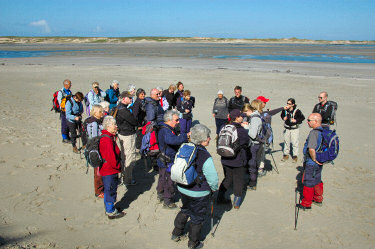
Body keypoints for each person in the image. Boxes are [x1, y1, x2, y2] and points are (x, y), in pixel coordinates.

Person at [171, 124, 219, 249]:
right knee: (197, 217)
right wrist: (214, 189)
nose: (209, 139)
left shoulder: (184, 147)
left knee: (185, 209)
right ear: (203, 139)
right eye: (208, 137)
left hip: (182, 187)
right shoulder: (205, 156)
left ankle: (176, 233)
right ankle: (193, 243)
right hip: (199, 192)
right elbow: (212, 178)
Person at [157, 110, 189, 208]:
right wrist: (185, 136)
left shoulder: (164, 127)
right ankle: (167, 201)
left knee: (162, 177)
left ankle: (160, 194)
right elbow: (172, 140)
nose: (178, 122)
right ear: (169, 120)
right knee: (169, 180)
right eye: (176, 120)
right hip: (167, 159)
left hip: (162, 158)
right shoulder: (165, 130)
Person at [217, 109, 249, 209]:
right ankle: (236, 203)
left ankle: (220, 197)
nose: (242, 117)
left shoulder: (224, 127)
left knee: (227, 178)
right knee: (238, 180)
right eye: (240, 116)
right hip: (238, 160)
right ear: (236, 118)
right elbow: (246, 142)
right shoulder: (241, 130)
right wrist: (246, 128)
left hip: (225, 158)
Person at [99, 116, 126, 219]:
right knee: (110, 190)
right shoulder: (107, 139)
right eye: (114, 125)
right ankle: (110, 211)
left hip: (108, 169)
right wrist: (118, 166)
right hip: (109, 170)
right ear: (108, 126)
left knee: (109, 189)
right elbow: (110, 157)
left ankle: (110, 208)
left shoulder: (108, 136)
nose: (116, 126)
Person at [296, 113, 324, 211]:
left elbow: (311, 149)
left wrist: (314, 159)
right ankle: (318, 198)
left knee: (308, 182)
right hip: (320, 161)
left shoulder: (314, 133)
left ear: (315, 121)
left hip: (312, 162)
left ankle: (306, 203)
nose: (307, 122)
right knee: (317, 179)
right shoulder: (323, 131)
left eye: (309, 120)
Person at [255, 95, 286, 176]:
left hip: (255, 139)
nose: (265, 104)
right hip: (261, 138)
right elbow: (271, 113)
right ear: (260, 103)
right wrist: (282, 108)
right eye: (264, 102)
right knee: (261, 154)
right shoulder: (261, 114)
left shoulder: (255, 112)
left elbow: (270, 113)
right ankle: (260, 170)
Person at [116, 91, 138, 186]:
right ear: (124, 98)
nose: (131, 99)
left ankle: (123, 176)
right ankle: (128, 179)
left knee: (123, 156)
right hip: (127, 135)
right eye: (129, 98)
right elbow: (134, 121)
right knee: (129, 157)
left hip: (121, 134)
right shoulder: (123, 110)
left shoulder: (118, 108)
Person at [83, 104, 105, 198]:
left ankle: (100, 188)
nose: (102, 113)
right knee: (98, 172)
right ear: (95, 112)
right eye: (100, 112)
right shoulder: (93, 123)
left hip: (97, 148)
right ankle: (98, 191)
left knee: (99, 171)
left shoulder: (94, 121)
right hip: (95, 150)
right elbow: (93, 139)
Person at [243, 100, 263, 190]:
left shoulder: (255, 118)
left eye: (245, 112)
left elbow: (253, 135)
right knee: (251, 162)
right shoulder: (257, 116)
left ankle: (252, 183)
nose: (244, 114)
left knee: (252, 163)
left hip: (254, 144)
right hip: (256, 143)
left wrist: (246, 127)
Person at [280, 98, 305, 162]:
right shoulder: (285, 110)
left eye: (289, 104)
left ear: (293, 104)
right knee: (286, 142)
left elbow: (302, 117)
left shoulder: (297, 111)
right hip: (287, 128)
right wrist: (283, 118)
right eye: (287, 103)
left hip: (294, 129)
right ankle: (286, 155)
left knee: (295, 142)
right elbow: (282, 115)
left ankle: (295, 156)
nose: (288, 105)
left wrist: (296, 120)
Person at [57, 79, 72, 143]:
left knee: (68, 124)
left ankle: (68, 137)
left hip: (69, 111)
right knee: (64, 125)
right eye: (69, 84)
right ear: (65, 84)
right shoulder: (61, 92)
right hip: (64, 111)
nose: (71, 85)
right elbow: (60, 102)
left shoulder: (69, 91)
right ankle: (64, 138)